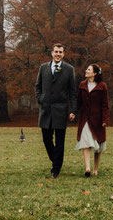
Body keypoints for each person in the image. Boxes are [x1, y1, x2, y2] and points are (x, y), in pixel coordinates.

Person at [35, 43, 77, 178]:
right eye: (56, 52)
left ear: (63, 54)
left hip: (61, 110)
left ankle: (56, 169)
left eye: (60, 52)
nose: (58, 54)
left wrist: (73, 110)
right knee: (46, 139)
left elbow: (72, 92)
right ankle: (56, 160)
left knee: (60, 141)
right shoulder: (43, 68)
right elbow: (38, 86)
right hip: (46, 109)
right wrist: (40, 99)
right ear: (52, 53)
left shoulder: (69, 69)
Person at [75, 63, 109, 177]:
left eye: (88, 69)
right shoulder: (82, 85)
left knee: (98, 145)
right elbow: (78, 102)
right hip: (85, 119)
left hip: (98, 119)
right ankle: (87, 168)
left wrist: (105, 119)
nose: (86, 70)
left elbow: (105, 104)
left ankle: (95, 168)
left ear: (94, 73)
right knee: (85, 142)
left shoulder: (102, 86)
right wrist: (73, 113)